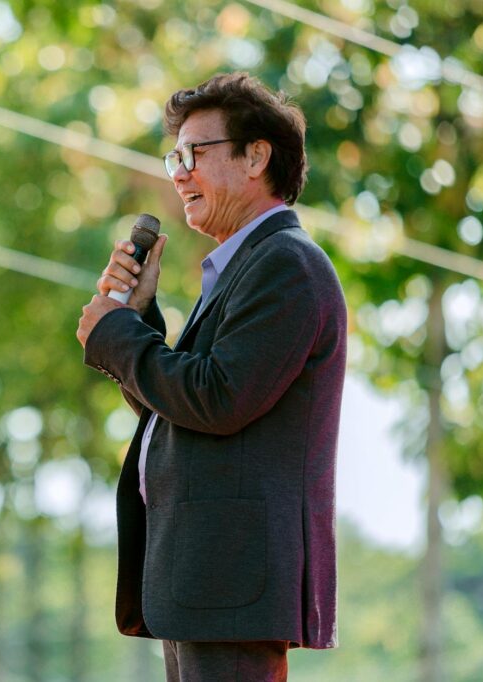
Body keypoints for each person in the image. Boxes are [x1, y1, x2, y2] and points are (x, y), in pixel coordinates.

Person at [76, 72, 347, 681]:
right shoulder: (245, 265)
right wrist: (138, 319)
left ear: (257, 156)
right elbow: (184, 406)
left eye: (195, 153)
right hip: (206, 581)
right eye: (175, 156)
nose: (178, 172)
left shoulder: (286, 265)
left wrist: (115, 337)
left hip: (234, 582)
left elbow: (218, 398)